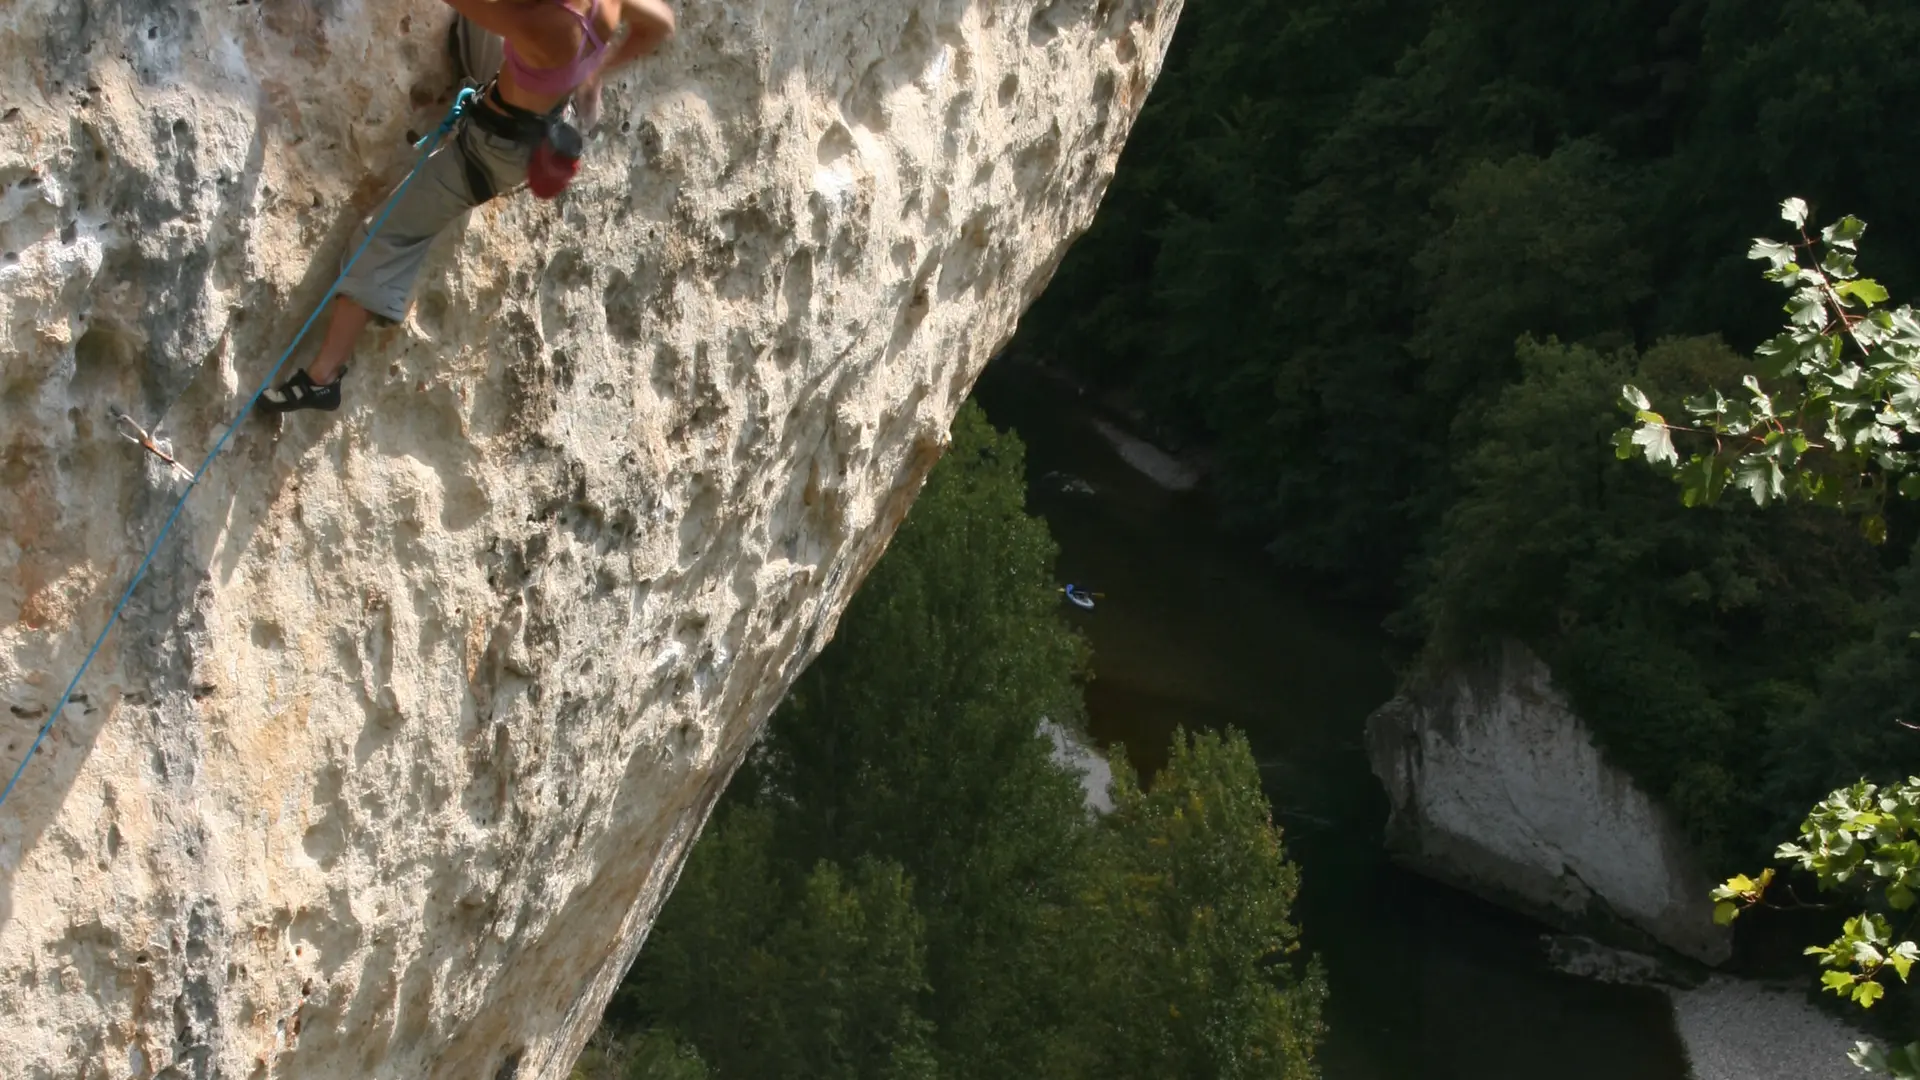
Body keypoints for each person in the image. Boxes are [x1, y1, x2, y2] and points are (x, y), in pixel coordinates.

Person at [260, 0, 676, 414]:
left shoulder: (543, 24)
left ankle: (322, 379)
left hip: (487, 154)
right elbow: (661, 23)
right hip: (531, 104)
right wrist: (595, 73)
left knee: (383, 238)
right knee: (478, 30)